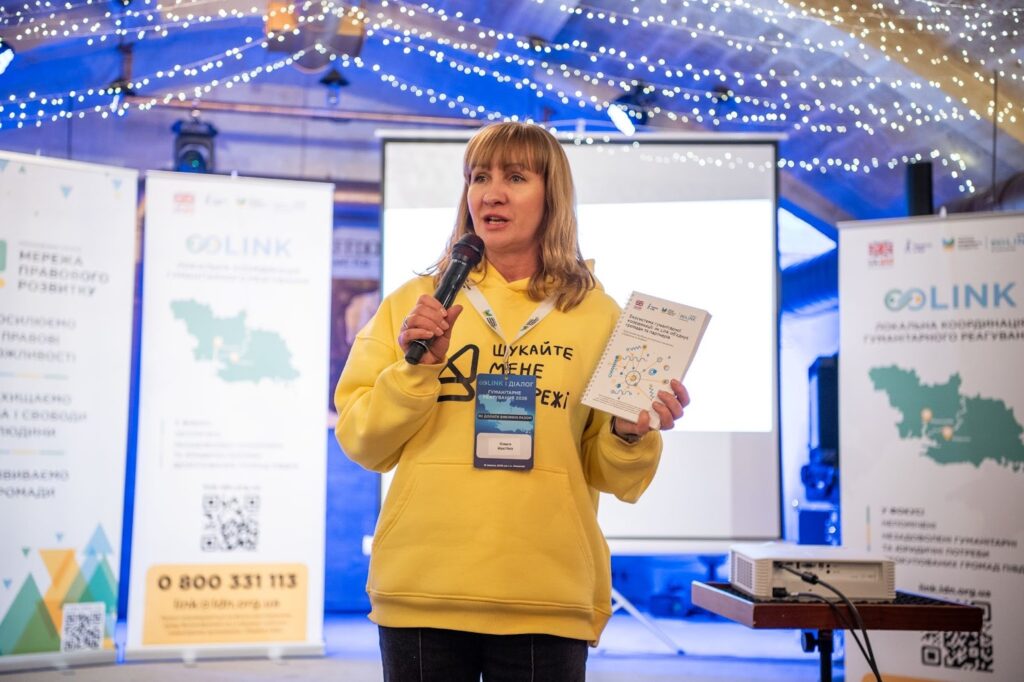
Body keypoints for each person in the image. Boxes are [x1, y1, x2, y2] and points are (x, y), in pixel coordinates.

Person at [334, 121, 690, 681]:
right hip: (423, 587)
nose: (491, 194)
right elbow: (362, 441)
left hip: (546, 593)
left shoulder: (598, 316)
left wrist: (628, 434)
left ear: (552, 197)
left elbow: (613, 476)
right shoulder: (418, 304)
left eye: (516, 178)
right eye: (479, 177)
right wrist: (416, 370)